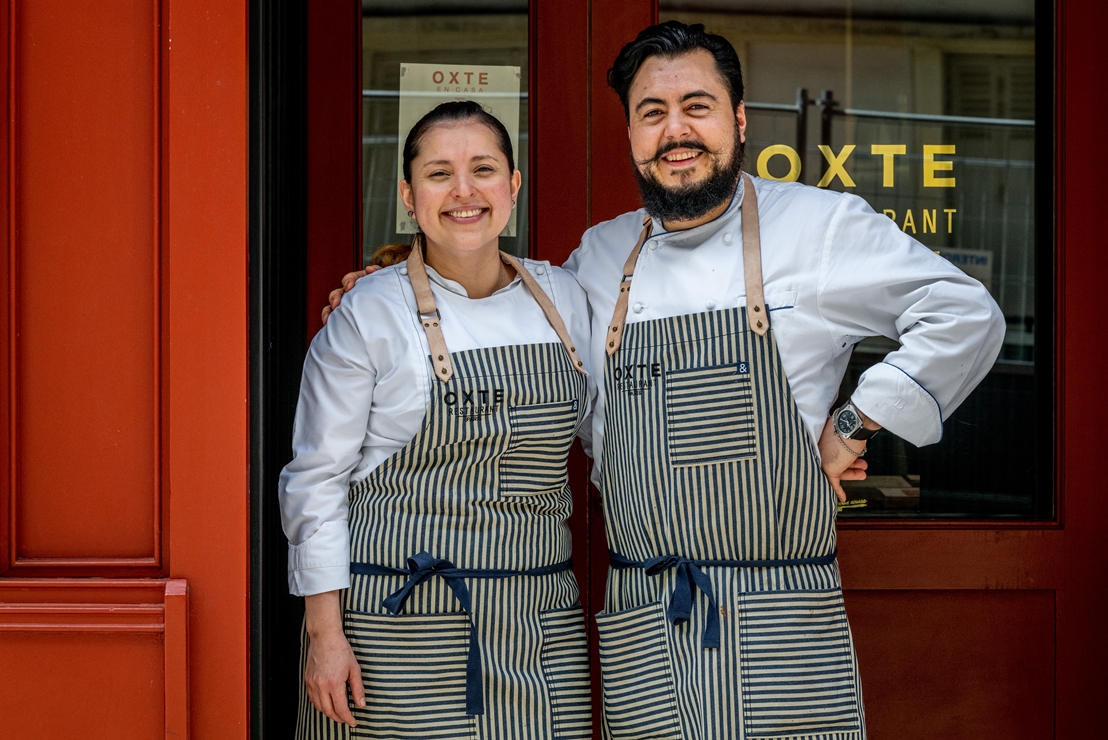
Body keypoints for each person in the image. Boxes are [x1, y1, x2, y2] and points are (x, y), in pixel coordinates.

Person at [328, 22, 1005, 740]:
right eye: (652, 113)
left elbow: (963, 313)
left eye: (697, 106)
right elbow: (506, 318)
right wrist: (390, 292)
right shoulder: (602, 253)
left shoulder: (820, 226)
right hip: (645, 614)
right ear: (629, 132)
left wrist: (850, 426)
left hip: (777, 608)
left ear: (738, 120)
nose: (675, 130)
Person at [281, 100, 595, 739]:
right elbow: (316, 483)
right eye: (438, 173)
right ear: (408, 194)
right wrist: (324, 636)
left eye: (483, 169)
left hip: (537, 622)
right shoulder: (367, 313)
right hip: (396, 629)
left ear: (513, 187)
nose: (463, 191)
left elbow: (615, 437)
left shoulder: (563, 297)